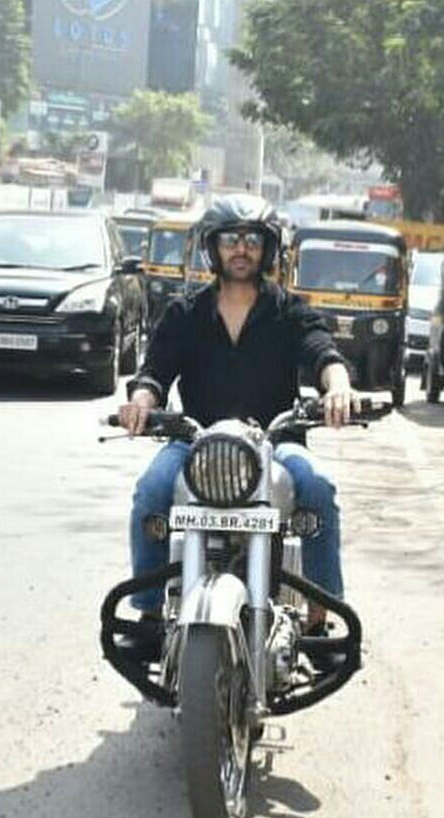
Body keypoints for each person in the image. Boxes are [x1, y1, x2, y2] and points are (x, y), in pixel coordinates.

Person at [118, 195, 357, 635]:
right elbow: (154, 372)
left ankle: (320, 614)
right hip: (195, 440)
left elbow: (323, 352)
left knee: (318, 489)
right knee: (150, 491)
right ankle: (150, 615)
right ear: (214, 247)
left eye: (252, 239)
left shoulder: (288, 310)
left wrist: (338, 388)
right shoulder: (184, 313)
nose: (241, 249)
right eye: (230, 239)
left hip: (276, 442)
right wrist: (142, 404)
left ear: (268, 248)